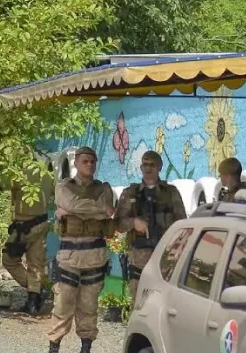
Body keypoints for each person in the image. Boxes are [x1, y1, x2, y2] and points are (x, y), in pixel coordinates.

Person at [46, 147, 115, 353]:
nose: (90, 164)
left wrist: (73, 211)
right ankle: (54, 347)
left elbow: (107, 209)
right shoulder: (64, 186)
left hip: (95, 256)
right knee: (62, 305)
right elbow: (73, 202)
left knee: (89, 306)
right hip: (69, 255)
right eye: (85, 161)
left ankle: (86, 348)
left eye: (93, 161)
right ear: (76, 163)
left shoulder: (104, 188)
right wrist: (97, 210)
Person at [114, 150, 187, 303]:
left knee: (164, 304)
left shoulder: (171, 193)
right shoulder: (130, 193)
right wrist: (133, 223)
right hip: (140, 260)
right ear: (140, 167)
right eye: (145, 165)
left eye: (152, 165)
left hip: (166, 260)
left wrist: (178, 248)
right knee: (140, 304)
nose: (148, 168)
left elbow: (183, 226)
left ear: (160, 167)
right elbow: (117, 223)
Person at [0, 151, 55, 315]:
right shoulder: (49, 174)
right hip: (43, 222)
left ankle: (37, 292)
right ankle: (33, 301)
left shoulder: (21, 172)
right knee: (35, 264)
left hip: (24, 225)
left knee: (9, 259)